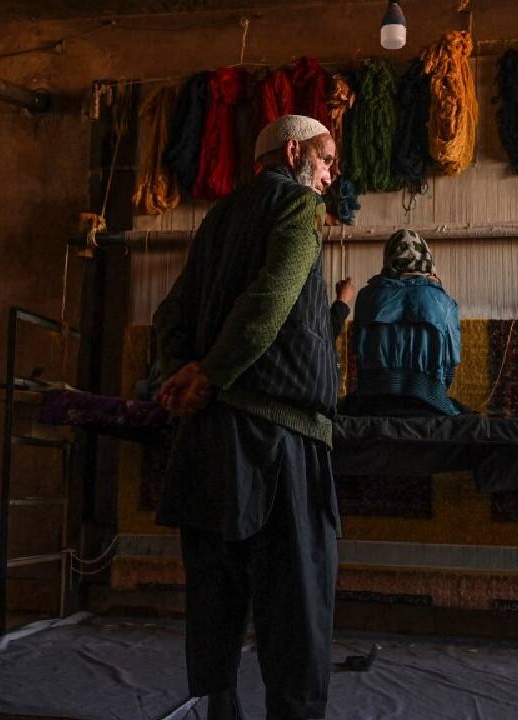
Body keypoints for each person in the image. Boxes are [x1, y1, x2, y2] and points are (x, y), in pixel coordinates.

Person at [152, 114, 339, 720]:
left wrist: (183, 372)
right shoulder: (298, 209)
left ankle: (219, 711)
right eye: (327, 160)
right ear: (294, 152)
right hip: (277, 437)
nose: (331, 177)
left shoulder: (218, 218)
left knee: (215, 596)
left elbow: (171, 313)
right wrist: (207, 375)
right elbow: (272, 299)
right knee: (295, 600)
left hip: (208, 434)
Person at [338, 229, 463, 416]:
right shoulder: (443, 302)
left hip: (373, 403)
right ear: (427, 259)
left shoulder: (367, 297)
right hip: (430, 404)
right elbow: (451, 363)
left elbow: (358, 353)